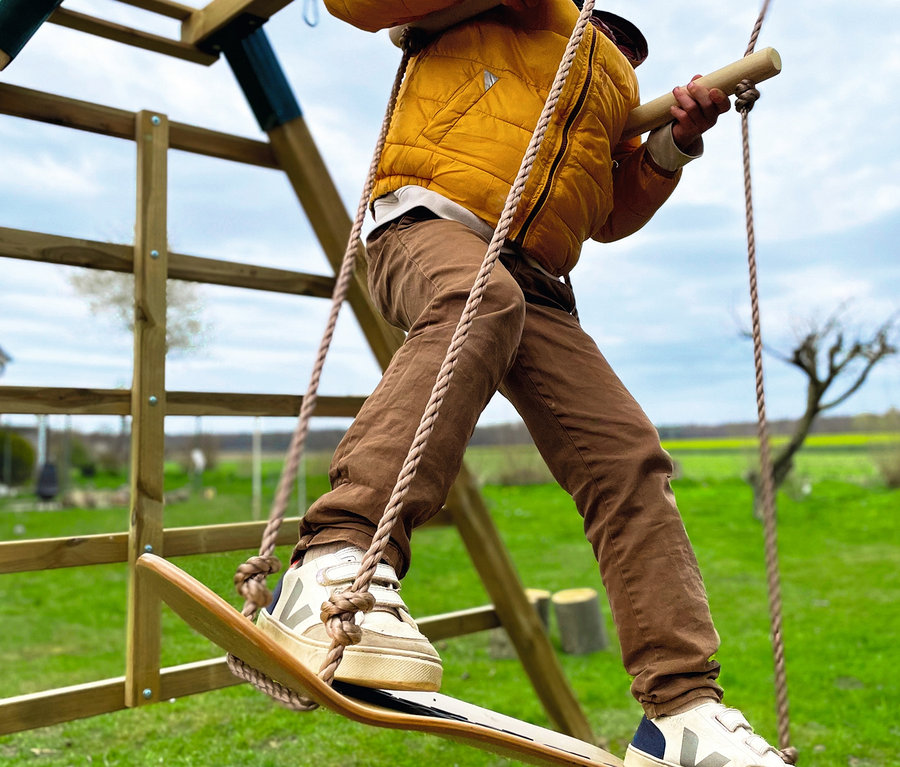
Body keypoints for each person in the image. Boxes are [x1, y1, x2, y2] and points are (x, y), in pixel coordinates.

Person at [258, 1, 790, 765]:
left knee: (626, 455)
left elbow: (606, 212)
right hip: (428, 223)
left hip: (535, 279)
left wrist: (671, 143)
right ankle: (333, 563)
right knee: (476, 301)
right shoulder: (508, 9)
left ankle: (680, 714)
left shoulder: (611, 77)